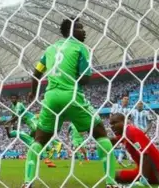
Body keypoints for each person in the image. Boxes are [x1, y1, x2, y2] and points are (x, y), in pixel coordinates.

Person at [22, 17, 117, 187]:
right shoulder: (80, 47)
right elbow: (85, 78)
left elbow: (36, 74)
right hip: (71, 96)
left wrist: (33, 93)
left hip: (50, 98)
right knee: (101, 133)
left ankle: (28, 181)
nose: (84, 31)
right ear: (71, 31)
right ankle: (111, 183)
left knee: (39, 139)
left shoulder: (50, 49)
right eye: (80, 28)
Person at [109, 113, 159, 186]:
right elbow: (112, 140)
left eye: (115, 123)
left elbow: (145, 155)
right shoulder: (125, 134)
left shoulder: (131, 132)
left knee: (115, 176)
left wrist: (144, 179)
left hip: (156, 170)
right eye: (111, 124)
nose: (112, 127)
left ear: (124, 122)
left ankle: (146, 179)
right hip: (146, 169)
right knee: (114, 175)